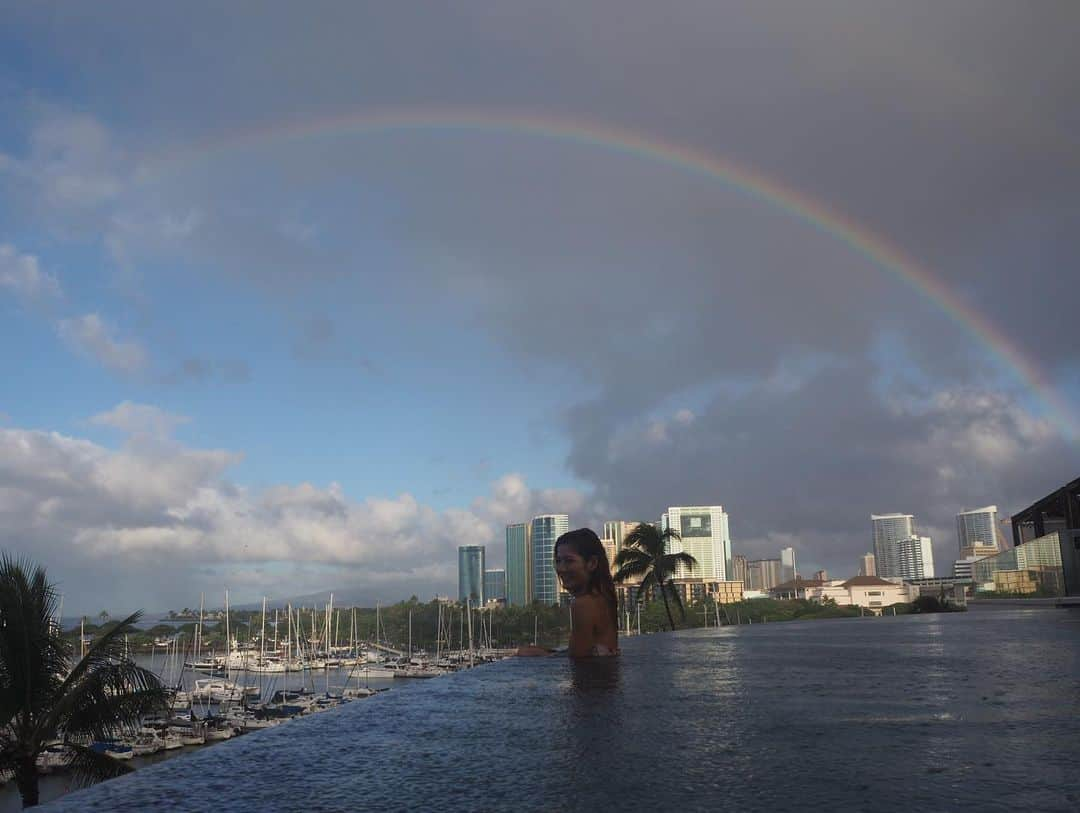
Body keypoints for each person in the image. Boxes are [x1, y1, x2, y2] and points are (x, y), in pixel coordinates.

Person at [517, 528, 620, 658]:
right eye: (558, 561)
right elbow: (583, 652)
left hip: (593, 678)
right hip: (606, 676)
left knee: (524, 652)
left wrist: (542, 655)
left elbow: (577, 661)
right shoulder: (603, 596)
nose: (561, 569)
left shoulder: (584, 604)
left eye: (569, 561)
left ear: (592, 563)